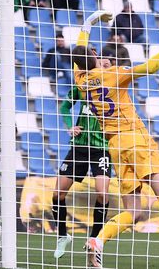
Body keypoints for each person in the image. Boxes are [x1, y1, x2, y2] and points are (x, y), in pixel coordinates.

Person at [76, 12, 159, 268]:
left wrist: (90, 22)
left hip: (114, 146)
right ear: (93, 58)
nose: (101, 55)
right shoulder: (112, 74)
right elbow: (150, 67)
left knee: (135, 210)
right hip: (135, 140)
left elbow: (78, 53)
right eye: (96, 53)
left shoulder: (80, 80)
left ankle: (98, 240)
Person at [52, 81, 112, 259]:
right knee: (57, 194)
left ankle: (94, 241)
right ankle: (63, 236)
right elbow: (65, 106)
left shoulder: (113, 86)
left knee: (103, 194)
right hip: (78, 147)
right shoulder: (82, 87)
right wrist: (70, 125)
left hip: (101, 149)